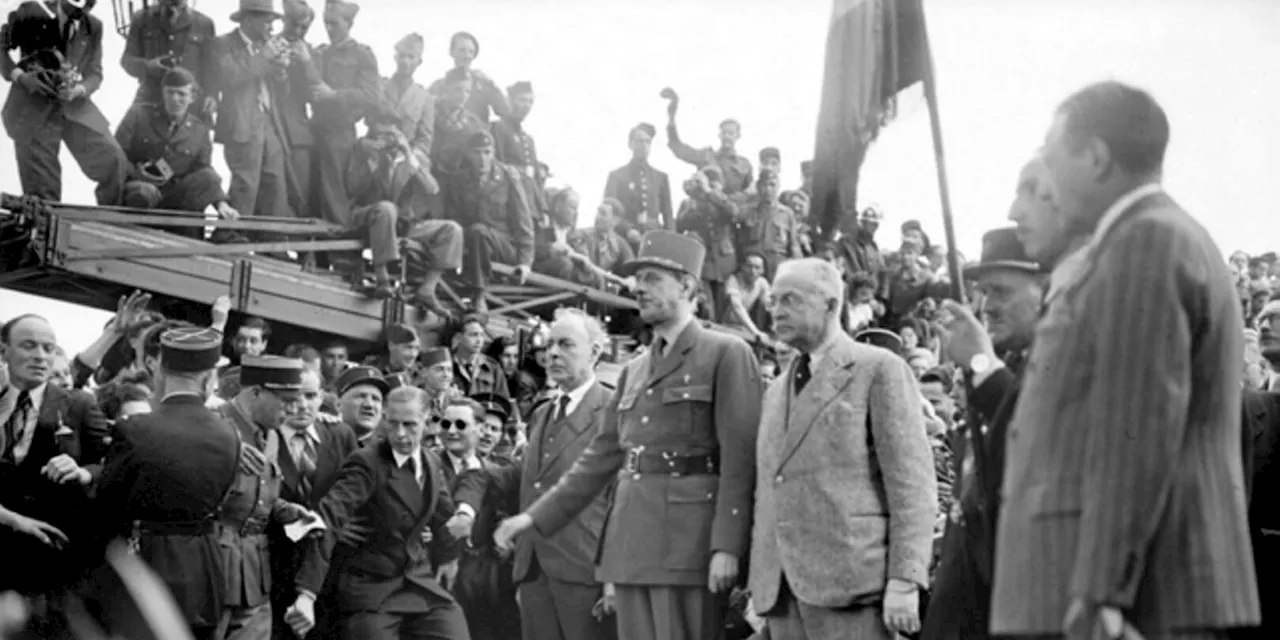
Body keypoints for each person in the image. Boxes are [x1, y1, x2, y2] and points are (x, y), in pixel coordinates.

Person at [991, 81, 1260, 639]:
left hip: (1143, 596)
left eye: (1052, 150)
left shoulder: (1146, 241)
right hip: (1145, 586)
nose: (1046, 169)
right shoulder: (1152, 237)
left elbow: (1137, 427)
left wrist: (1101, 592)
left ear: (1095, 157)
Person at [496, 229, 763, 640]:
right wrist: (534, 517)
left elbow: (740, 462)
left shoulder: (725, 353)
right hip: (630, 544)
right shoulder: (634, 370)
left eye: (654, 278)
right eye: (639, 279)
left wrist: (727, 546)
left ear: (688, 286)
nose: (639, 288)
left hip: (689, 545)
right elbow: (596, 462)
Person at [750, 258, 935, 640]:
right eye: (774, 302)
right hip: (782, 592)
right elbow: (770, 486)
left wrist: (905, 579)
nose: (777, 311)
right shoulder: (774, 390)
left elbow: (911, 484)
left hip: (851, 588)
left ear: (832, 305)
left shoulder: (879, 368)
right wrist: (760, 578)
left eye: (791, 300)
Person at [284, 388, 474, 640]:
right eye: (392, 423)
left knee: (455, 631)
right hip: (370, 589)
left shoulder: (431, 462)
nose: (399, 434)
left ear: (429, 422)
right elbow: (328, 518)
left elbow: (445, 517)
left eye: (409, 425)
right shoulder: (367, 463)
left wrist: (451, 553)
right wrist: (306, 594)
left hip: (418, 583)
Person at [93, 327, 243, 639]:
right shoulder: (229, 434)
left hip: (145, 567)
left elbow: (106, 507)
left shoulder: (135, 429)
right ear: (209, 378)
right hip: (205, 572)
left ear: (160, 370)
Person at [511, 308, 617, 640]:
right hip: (533, 571)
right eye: (550, 344)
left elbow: (623, 500)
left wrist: (613, 577)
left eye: (567, 344)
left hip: (586, 572)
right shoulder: (542, 413)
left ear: (595, 352)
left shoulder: (613, 411)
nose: (553, 353)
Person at [0, 314, 109, 596]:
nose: (40, 356)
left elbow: (111, 465)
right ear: (4, 351)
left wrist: (83, 472)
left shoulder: (79, 405)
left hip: (53, 557)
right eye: (29, 345)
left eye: (48, 348)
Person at [0, 0, 129, 205]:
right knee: (43, 192)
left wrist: (79, 89)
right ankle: (45, 229)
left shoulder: (93, 26)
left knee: (113, 160)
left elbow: (95, 74)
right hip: (33, 110)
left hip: (73, 106)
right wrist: (21, 77)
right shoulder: (30, 12)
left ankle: (112, 223)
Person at [114, 66, 239, 235]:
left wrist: (221, 204)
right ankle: (133, 236)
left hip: (173, 197)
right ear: (162, 93)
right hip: (139, 190)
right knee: (145, 193)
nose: (175, 99)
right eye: (170, 92)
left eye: (181, 94)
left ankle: (184, 238)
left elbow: (203, 171)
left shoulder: (199, 130)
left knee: (208, 177)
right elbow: (117, 154)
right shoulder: (139, 114)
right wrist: (136, 173)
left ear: (192, 97)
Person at [119, 0, 218, 117]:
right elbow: (127, 60)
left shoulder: (204, 24)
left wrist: (211, 95)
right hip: (152, 100)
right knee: (130, 131)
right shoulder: (143, 19)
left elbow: (211, 67)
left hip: (190, 105)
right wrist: (149, 67)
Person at [604, 123, 673, 247]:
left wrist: (671, 242)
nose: (644, 146)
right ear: (630, 144)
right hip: (625, 241)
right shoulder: (616, 176)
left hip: (655, 240)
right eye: (640, 141)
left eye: (648, 142)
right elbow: (609, 212)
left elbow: (668, 216)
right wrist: (627, 230)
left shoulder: (661, 178)